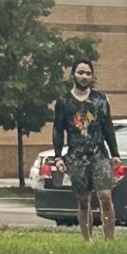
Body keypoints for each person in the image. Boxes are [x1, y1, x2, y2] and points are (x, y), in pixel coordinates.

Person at [52, 59, 120, 244]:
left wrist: (115, 154)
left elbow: (108, 127)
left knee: (105, 196)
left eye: (88, 73)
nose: (84, 76)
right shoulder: (64, 102)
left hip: (99, 155)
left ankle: (110, 241)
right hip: (76, 157)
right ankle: (87, 240)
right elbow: (58, 130)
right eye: (81, 72)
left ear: (92, 76)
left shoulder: (100, 99)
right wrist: (58, 156)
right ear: (73, 74)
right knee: (83, 200)